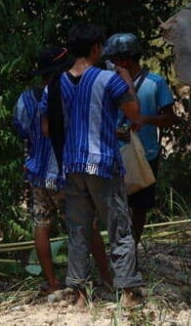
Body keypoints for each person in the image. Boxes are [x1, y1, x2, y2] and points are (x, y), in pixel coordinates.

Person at [40, 25, 144, 307]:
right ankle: (127, 293)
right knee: (119, 229)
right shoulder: (109, 80)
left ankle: (80, 295)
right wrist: (128, 81)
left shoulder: (55, 83)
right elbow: (134, 115)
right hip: (103, 164)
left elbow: (47, 128)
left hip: (71, 166)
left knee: (78, 231)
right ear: (97, 48)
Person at [13, 47, 113, 294]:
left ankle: (52, 283)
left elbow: (21, 129)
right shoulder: (67, 94)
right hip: (65, 173)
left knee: (41, 224)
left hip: (37, 172)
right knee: (86, 226)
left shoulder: (25, 99)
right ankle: (106, 277)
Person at [102, 33, 178, 245]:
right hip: (115, 155)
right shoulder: (108, 84)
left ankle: (132, 245)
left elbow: (170, 118)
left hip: (146, 155)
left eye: (113, 60)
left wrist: (144, 119)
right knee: (116, 205)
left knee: (140, 207)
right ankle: (120, 246)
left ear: (124, 60)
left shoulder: (156, 83)